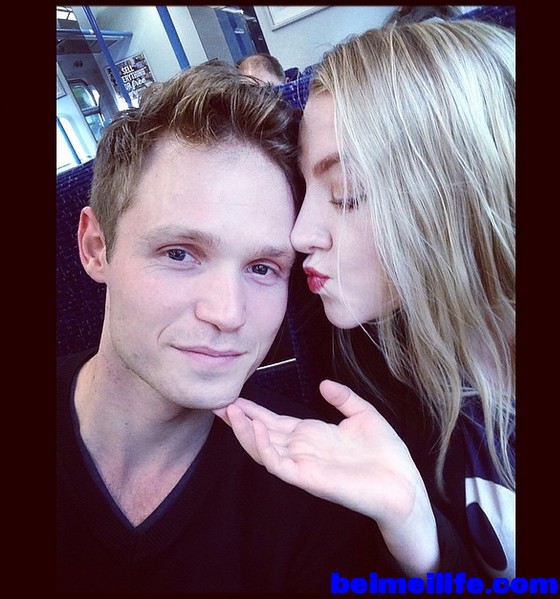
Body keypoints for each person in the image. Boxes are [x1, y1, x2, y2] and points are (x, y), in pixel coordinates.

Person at [56, 60, 403, 592]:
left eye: (262, 268)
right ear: (96, 247)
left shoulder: (316, 491)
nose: (228, 313)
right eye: (179, 253)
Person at [216, 20, 516, 582]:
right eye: (306, 193)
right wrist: (415, 532)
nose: (300, 235)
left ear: (463, 194)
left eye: (345, 194)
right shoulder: (379, 369)